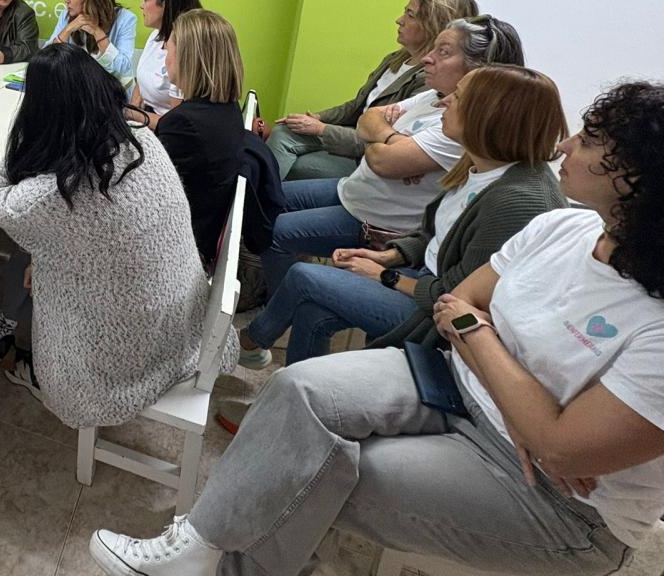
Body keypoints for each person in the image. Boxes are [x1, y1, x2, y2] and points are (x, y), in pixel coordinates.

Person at [89, 81, 664, 576]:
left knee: (319, 474)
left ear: (640, 179)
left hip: (562, 503)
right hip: (455, 384)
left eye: (588, 141)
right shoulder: (563, 227)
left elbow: (561, 449)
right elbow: (460, 300)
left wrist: (502, 375)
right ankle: (201, 544)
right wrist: (526, 410)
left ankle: (211, 558)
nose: (564, 144)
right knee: (299, 391)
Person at [0, 43, 234, 425]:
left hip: (122, 363)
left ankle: (28, 364)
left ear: (41, 114)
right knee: (37, 260)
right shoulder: (143, 141)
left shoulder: (55, 194)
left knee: (30, 263)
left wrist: (29, 142)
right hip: (181, 326)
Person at [239, 64, 568, 368]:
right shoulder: (478, 163)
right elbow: (433, 234)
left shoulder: (519, 201)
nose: (445, 102)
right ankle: (297, 399)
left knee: (304, 276)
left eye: (459, 97)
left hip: (434, 316)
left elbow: (459, 298)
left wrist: (386, 276)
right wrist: (388, 256)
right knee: (312, 310)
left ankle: (248, 344)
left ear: (491, 116)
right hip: (419, 274)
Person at [256, 15, 524, 303]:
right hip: (354, 191)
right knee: (264, 197)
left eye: (443, 52)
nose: (426, 60)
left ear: (479, 69)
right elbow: (366, 119)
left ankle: (280, 306)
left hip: (373, 221)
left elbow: (383, 162)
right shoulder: (432, 96)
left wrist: (381, 141)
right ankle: (274, 292)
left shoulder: (458, 123)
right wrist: (393, 141)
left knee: (273, 232)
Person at [268, 0, 479, 181]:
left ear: (433, 26)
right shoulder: (395, 59)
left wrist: (321, 129)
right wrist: (317, 118)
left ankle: (255, 204)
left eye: (410, 14)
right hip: (357, 136)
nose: (399, 20)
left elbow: (385, 142)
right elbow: (358, 108)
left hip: (363, 156)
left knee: (298, 162)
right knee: (283, 132)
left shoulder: (430, 82)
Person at [152, 9, 284, 273]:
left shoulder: (182, 124)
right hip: (203, 229)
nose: (165, 52)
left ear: (188, 58)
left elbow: (153, 201)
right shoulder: (225, 108)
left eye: (170, 47)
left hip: (182, 247)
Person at [128, 0, 201, 127]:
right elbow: (141, 84)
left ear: (166, 5)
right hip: (146, 118)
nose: (141, 6)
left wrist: (131, 115)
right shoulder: (156, 35)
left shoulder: (185, 50)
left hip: (167, 131)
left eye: (145, 0)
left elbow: (177, 125)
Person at [44, 0, 137, 85]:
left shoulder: (125, 19)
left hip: (110, 90)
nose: (66, 0)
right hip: (75, 87)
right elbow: (46, 59)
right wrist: (67, 30)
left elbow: (124, 67)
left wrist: (98, 32)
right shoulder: (66, 15)